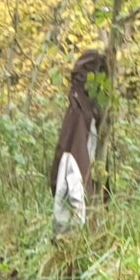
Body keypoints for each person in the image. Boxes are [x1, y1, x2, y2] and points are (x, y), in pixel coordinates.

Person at [51, 50, 107, 231]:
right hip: (76, 201)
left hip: (83, 198)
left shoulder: (88, 110)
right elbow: (71, 160)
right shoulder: (79, 110)